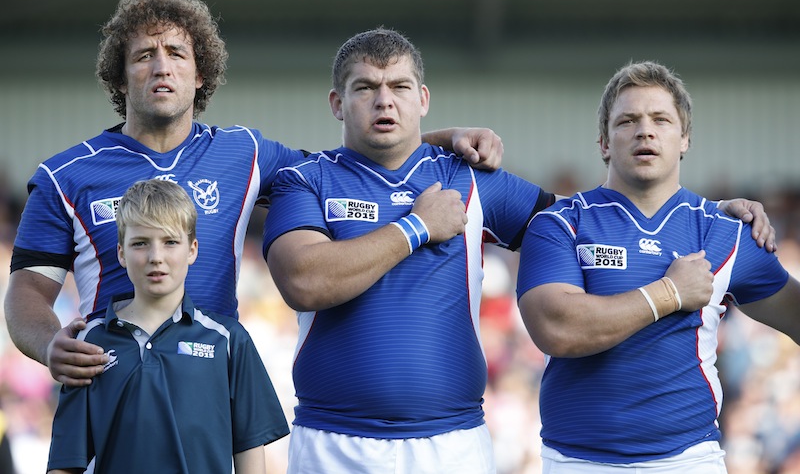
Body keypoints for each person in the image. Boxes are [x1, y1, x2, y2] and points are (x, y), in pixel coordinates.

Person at [260, 30, 773, 474]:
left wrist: (705, 210)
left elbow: (594, 218)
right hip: (331, 440)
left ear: (423, 99)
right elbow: (305, 282)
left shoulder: (470, 180)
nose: (384, 102)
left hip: (453, 443)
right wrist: (417, 226)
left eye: (398, 88)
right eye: (365, 89)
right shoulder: (304, 180)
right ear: (337, 103)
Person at [3, 0, 505, 388]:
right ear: (119, 76)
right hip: (109, 391)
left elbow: (349, 164)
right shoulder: (66, 175)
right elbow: (27, 292)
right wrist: (50, 344)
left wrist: (445, 137)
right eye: (144, 55)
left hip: (214, 394)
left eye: (177, 53)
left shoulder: (244, 153)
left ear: (201, 74)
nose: (162, 66)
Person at [516, 61, 800, 473]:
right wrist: (669, 294)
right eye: (627, 121)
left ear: (684, 139)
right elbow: (558, 329)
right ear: (604, 143)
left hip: (688, 461)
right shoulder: (560, 224)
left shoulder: (726, 233)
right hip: (576, 461)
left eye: (661, 120)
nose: (644, 131)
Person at [46, 179, 290, 474]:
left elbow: (250, 452)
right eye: (140, 243)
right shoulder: (89, 343)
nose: (156, 257)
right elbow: (65, 462)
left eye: (170, 242)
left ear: (192, 249)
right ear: (121, 253)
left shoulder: (228, 340)